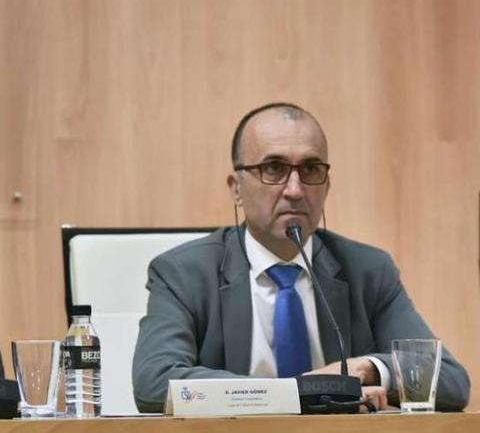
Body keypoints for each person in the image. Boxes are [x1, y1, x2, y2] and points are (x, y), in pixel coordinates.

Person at [131, 102, 470, 412]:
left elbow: (451, 382)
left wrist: (367, 369)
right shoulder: (184, 273)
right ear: (236, 188)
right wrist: (297, 395)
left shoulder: (367, 270)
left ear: (327, 185)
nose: (294, 189)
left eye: (310, 170)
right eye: (273, 168)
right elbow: (155, 383)